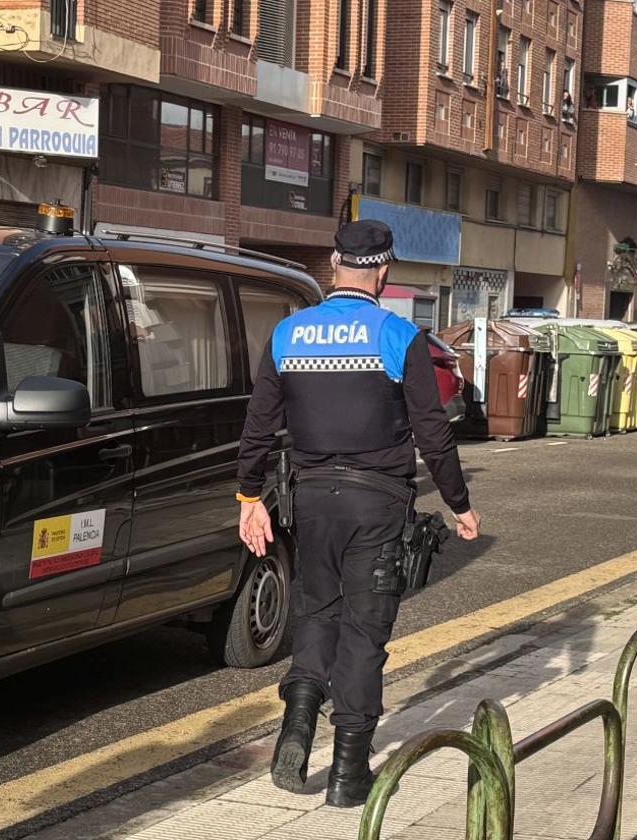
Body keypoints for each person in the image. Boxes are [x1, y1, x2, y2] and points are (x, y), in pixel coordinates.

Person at [234, 219, 481, 807]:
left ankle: (296, 724)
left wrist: (249, 498)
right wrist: (458, 503)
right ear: (385, 271)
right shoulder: (400, 336)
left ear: (332, 263)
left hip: (312, 498)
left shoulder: (289, 333)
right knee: (365, 631)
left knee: (317, 612)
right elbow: (433, 434)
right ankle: (348, 774)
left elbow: (259, 426)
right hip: (378, 501)